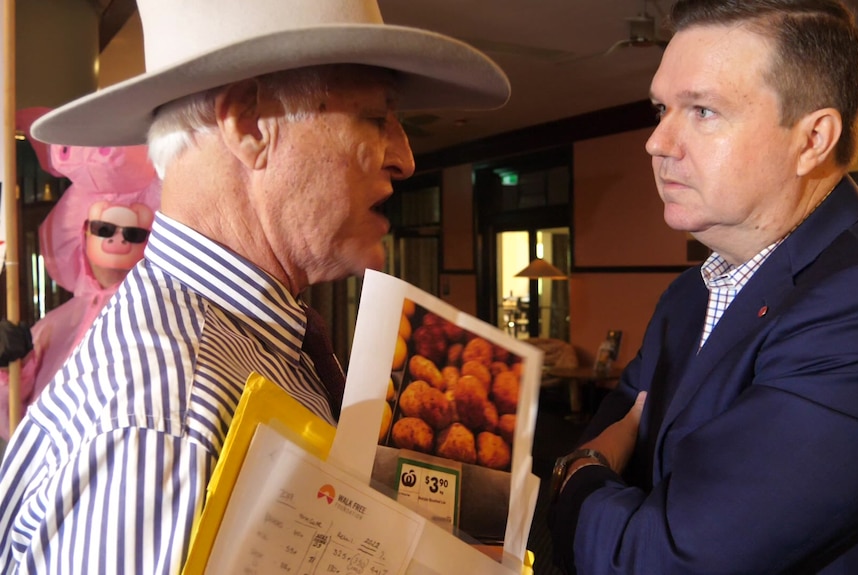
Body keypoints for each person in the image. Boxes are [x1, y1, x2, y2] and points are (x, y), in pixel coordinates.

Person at [0, 0, 509, 572]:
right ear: (248, 123)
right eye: (375, 118)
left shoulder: (243, 349)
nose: (405, 157)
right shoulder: (170, 423)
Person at [548, 1, 858, 573]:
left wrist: (582, 471)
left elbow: (665, 558)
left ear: (813, 138)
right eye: (662, 108)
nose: (657, 142)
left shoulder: (852, 305)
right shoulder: (687, 296)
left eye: (703, 111)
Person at [0, 129, 160, 440]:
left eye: (134, 234)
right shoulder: (57, 323)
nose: (117, 238)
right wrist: (12, 364)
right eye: (104, 228)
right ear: (83, 231)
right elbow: (12, 415)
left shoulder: (153, 318)